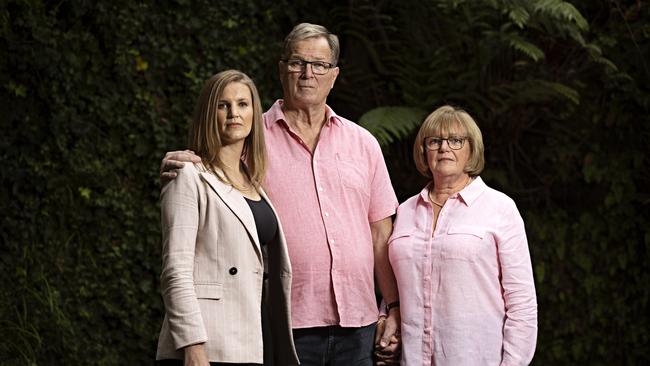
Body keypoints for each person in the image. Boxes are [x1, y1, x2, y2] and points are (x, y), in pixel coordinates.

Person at [160, 23, 401, 365]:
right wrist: (178, 161)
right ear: (281, 69)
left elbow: (381, 235)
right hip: (284, 323)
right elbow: (207, 172)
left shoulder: (363, 143)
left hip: (358, 326)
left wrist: (391, 308)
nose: (307, 74)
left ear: (334, 75)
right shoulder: (251, 137)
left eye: (319, 65)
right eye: (297, 63)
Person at [155, 70, 299, 366]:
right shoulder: (187, 175)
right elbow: (176, 271)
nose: (234, 113)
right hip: (210, 343)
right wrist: (193, 347)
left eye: (243, 104)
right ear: (210, 113)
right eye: (223, 105)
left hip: (255, 334)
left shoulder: (253, 181)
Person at [382, 105, 538, 365]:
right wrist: (386, 320)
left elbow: (521, 304)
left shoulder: (499, 208)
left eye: (455, 140)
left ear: (472, 149)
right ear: (424, 150)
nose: (444, 148)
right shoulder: (405, 211)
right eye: (435, 141)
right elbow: (397, 286)